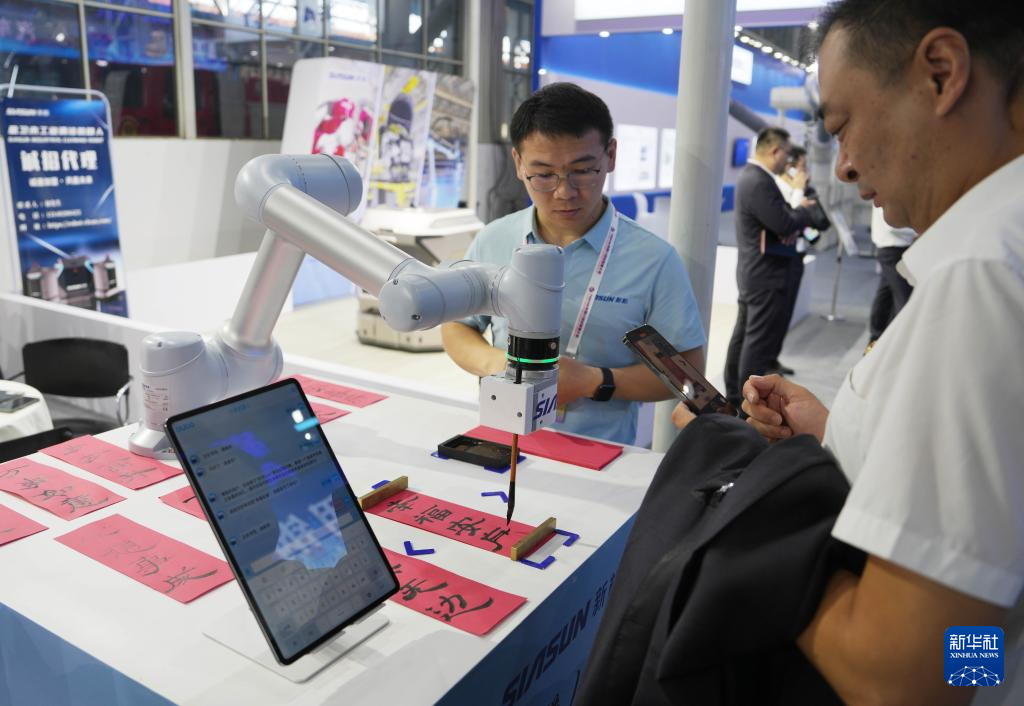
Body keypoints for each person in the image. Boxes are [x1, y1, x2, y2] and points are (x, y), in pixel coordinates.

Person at [738, 2, 1024, 704]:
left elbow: (905, 679)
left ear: (941, 74)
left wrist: (747, 549)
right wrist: (839, 431)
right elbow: (992, 567)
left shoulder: (981, 276)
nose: (844, 164)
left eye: (842, 126)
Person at [440, 82, 705, 445]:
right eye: (543, 174)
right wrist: (499, 365)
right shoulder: (494, 239)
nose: (564, 192)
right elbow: (458, 327)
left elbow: (688, 378)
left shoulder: (654, 260)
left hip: (603, 454)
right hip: (504, 440)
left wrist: (595, 381)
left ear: (610, 156)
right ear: (518, 163)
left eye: (583, 170)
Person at [723, 127, 816, 409]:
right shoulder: (759, 181)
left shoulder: (752, 178)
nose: (788, 161)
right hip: (765, 274)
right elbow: (784, 223)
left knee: (745, 335)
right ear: (775, 151)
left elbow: (781, 220)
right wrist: (804, 210)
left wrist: (794, 214)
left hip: (755, 271)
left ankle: (735, 397)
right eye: (787, 154)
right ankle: (746, 403)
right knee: (756, 341)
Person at [866, 205, 915, 349]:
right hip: (893, 249)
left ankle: (874, 344)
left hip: (894, 248)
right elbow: (892, 224)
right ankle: (894, 345)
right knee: (903, 300)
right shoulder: (887, 200)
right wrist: (917, 230)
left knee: (885, 297)